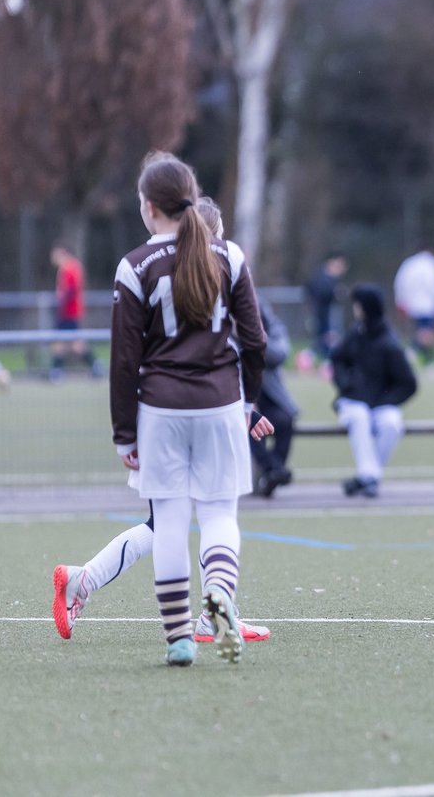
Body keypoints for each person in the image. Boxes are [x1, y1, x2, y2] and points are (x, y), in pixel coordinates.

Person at [51, 196, 274, 647]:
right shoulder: (196, 274)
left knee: (174, 521)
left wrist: (243, 410)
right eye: (220, 234)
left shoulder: (179, 272)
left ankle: (90, 583)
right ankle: (198, 622)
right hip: (176, 415)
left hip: (177, 414)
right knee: (198, 515)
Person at [103, 152, 267, 667]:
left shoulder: (134, 266)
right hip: (221, 404)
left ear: (150, 208)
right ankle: (219, 592)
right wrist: (249, 402)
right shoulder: (230, 255)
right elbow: (256, 342)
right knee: (220, 513)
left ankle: (178, 639)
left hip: (160, 411)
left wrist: (124, 435)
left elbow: (124, 360)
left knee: (170, 521)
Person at [330, 283, 418, 498]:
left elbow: (409, 383)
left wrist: (386, 401)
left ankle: (366, 478)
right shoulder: (355, 334)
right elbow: (338, 360)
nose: (355, 309)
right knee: (359, 417)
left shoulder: (389, 344)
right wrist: (346, 384)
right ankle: (370, 478)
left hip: (380, 403)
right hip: (353, 402)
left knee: (391, 424)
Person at [251, 298, 300, 497]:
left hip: (270, 396)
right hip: (242, 396)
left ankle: (273, 472)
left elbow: (278, 355)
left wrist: (255, 338)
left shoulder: (272, 326)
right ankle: (275, 470)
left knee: (284, 420)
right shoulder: (228, 326)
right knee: (249, 423)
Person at [48, 241, 105, 381]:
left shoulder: (69, 267)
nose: (52, 257)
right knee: (72, 343)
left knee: (67, 343)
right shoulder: (71, 266)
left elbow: (70, 290)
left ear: (62, 252)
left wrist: (61, 303)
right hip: (69, 311)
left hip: (68, 312)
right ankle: (95, 366)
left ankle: (56, 372)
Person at [394, 245, 434, 370]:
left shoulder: (409, 263)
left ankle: (428, 361)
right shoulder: (431, 264)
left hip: (412, 304)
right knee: (426, 334)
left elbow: (400, 282)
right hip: (428, 305)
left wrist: (401, 300)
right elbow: (433, 284)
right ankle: (413, 353)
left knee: (424, 332)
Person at [305, 251, 346, 361]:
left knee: (326, 341)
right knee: (324, 340)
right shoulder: (323, 278)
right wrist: (335, 294)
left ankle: (319, 360)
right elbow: (319, 293)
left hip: (325, 315)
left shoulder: (330, 279)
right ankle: (307, 357)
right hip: (323, 315)